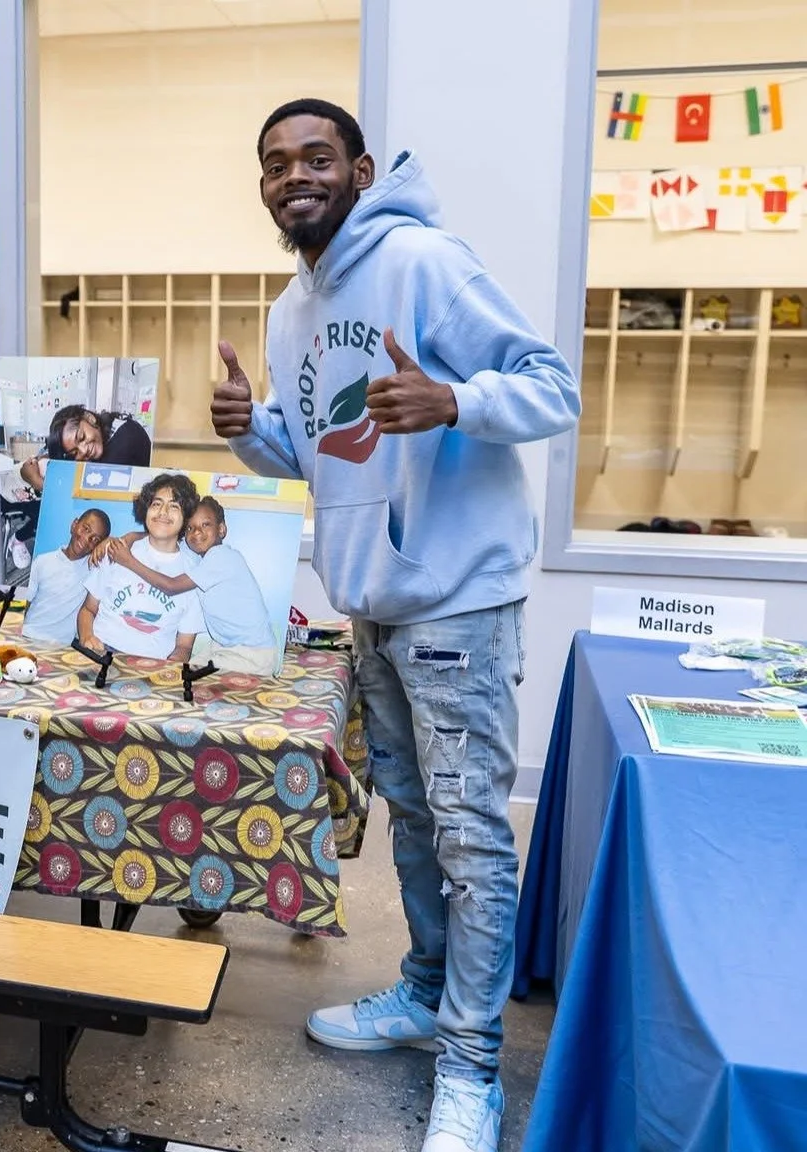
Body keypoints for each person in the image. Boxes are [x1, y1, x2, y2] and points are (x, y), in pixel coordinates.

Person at [214, 98, 579, 1152]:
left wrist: (455, 401)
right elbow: (322, 453)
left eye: (315, 157)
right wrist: (250, 436)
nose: (295, 176)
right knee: (415, 824)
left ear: (359, 169)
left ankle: (470, 1064)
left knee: (471, 837)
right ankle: (423, 996)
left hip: (457, 602)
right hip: (368, 605)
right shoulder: (293, 306)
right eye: (276, 163)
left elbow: (549, 386)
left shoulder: (421, 262)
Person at [104, 498, 280, 674]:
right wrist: (131, 537)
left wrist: (128, 561)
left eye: (205, 525)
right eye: (190, 528)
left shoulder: (222, 557)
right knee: (179, 675)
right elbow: (164, 536)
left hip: (252, 653)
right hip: (224, 647)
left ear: (221, 529)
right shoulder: (200, 558)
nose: (197, 532)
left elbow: (171, 586)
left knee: (188, 682)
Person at [75, 473, 203, 662]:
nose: (163, 512)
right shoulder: (117, 549)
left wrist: (168, 669)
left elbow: (184, 645)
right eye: (156, 504)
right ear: (146, 510)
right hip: (99, 650)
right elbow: (88, 609)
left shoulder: (194, 571)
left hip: (152, 662)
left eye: (174, 506)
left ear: (186, 518)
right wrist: (87, 638)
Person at [16, 403, 154, 492]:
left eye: (81, 437)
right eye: (74, 452)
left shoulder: (125, 438)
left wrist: (36, 481)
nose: (83, 451)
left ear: (90, 418)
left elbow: (87, 499)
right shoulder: (110, 428)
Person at [22, 507, 109, 644]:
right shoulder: (43, 561)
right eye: (86, 529)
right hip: (27, 634)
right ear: (74, 524)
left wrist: (107, 542)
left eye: (95, 539)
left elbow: (123, 544)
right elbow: (25, 602)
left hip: (59, 646)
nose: (87, 539)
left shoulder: (94, 569)